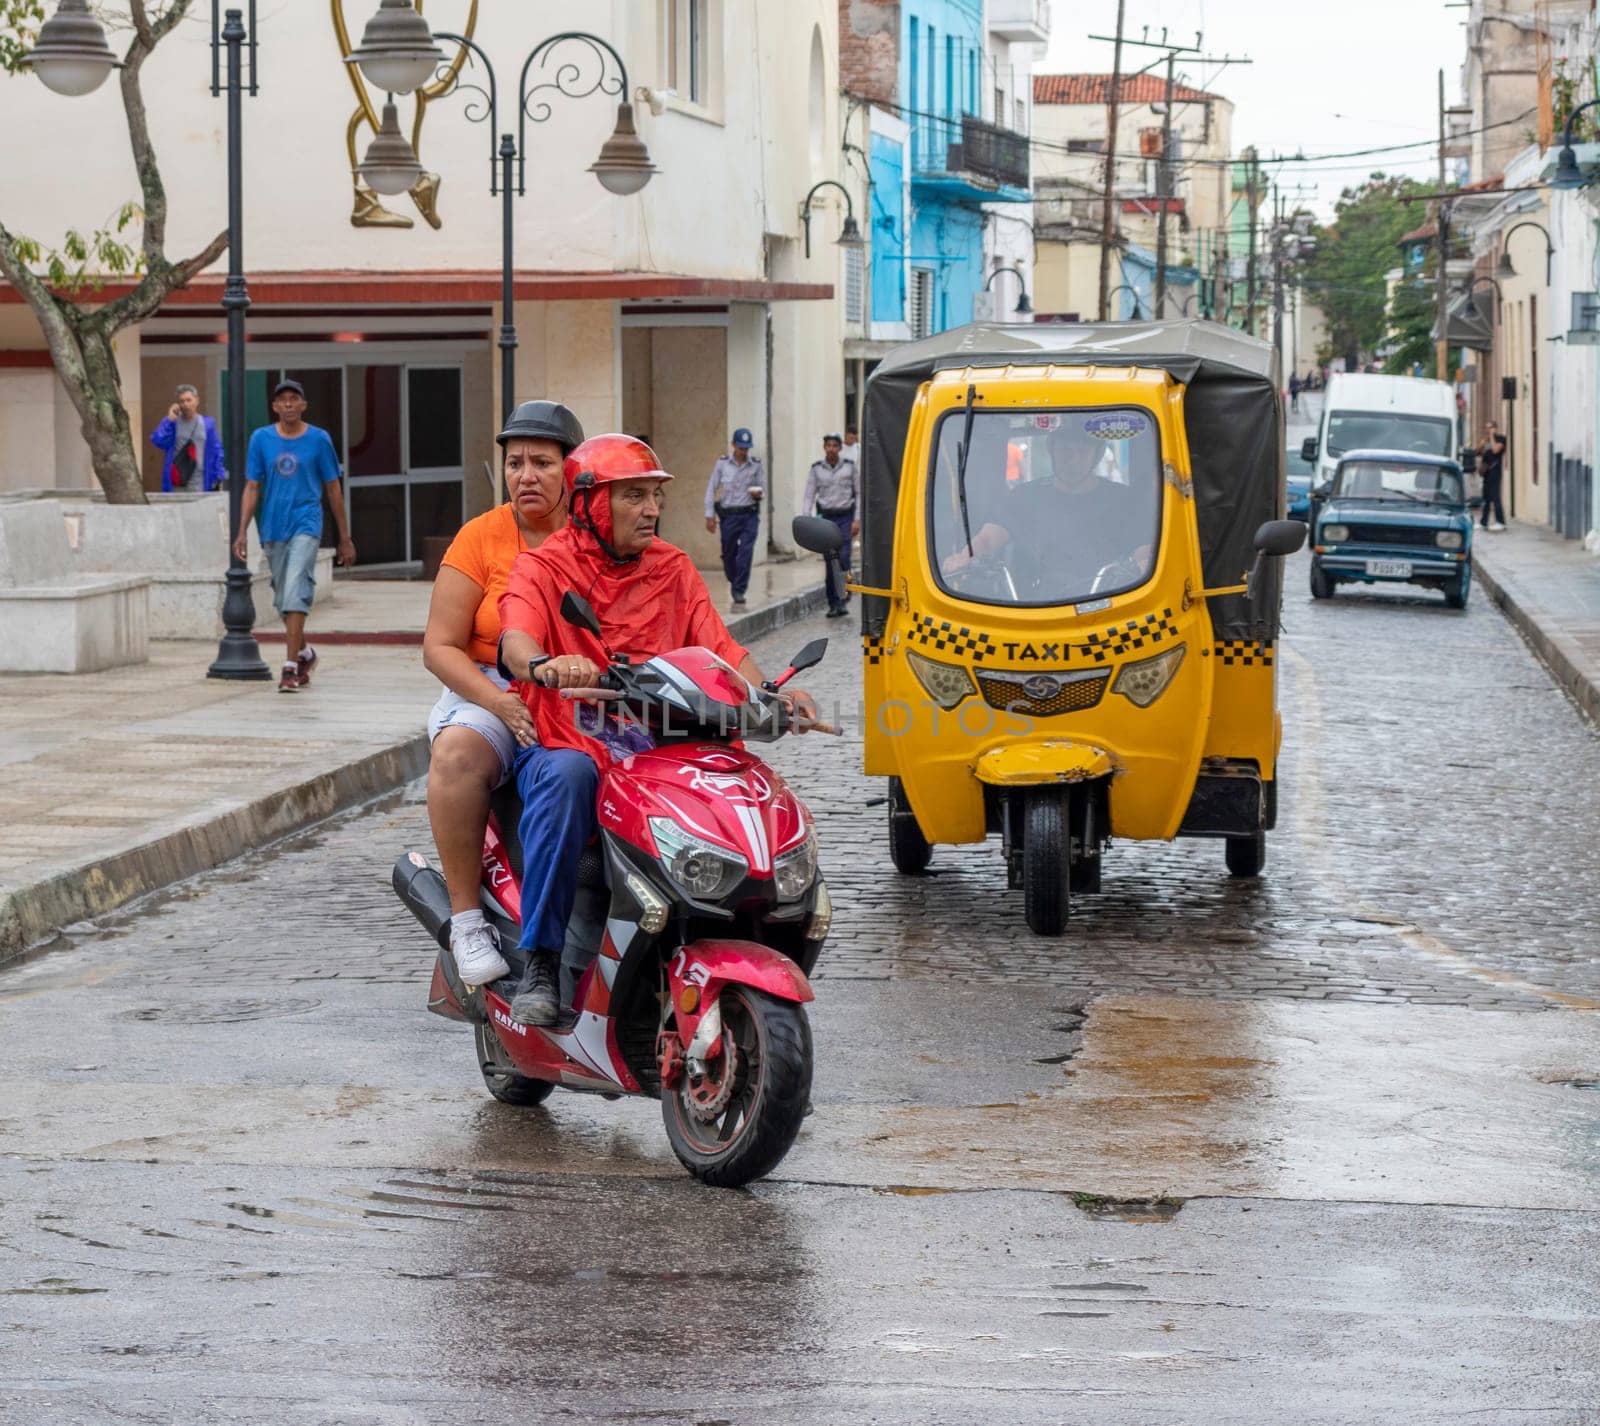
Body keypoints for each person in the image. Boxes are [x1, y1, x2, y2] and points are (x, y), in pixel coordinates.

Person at [498, 435, 817, 1026]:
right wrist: (546, 662)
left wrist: (770, 694)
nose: (651, 509)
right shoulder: (542, 566)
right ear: (592, 504)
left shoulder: (672, 567)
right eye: (635, 496)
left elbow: (721, 649)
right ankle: (540, 958)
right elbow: (515, 637)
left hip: (664, 739)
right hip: (571, 736)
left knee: (741, 780)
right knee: (565, 778)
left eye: (655, 496)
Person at [421, 400, 585, 987]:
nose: (526, 476)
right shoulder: (481, 536)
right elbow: (440, 647)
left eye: (542, 462)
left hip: (581, 687)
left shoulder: (595, 537)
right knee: (459, 752)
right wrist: (498, 704)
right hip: (490, 687)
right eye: (514, 463)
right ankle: (467, 919)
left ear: (574, 470)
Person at [231, 379, 355, 692]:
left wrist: (344, 537)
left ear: (303, 405)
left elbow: (333, 488)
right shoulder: (261, 439)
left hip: (306, 522)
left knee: (296, 587)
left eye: (293, 399)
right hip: (274, 526)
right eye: (282, 400)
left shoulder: (318, 440)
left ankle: (289, 667)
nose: (288, 404)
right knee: (282, 598)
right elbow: (252, 486)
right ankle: (305, 653)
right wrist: (242, 531)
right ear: (274, 406)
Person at [941, 424, 1154, 598]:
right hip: (1034, 604)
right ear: (1051, 450)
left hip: (1110, 602)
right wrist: (963, 557)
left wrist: (1144, 564)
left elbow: (1142, 549)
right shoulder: (1024, 497)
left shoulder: (1124, 500)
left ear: (1097, 456)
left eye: (1082, 452)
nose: (1072, 459)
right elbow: (988, 538)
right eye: (1065, 450)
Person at [704, 427, 764, 607]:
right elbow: (711, 489)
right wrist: (709, 515)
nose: (743, 451)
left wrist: (758, 494)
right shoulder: (722, 464)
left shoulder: (755, 464)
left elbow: (763, 488)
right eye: (740, 447)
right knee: (729, 554)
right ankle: (733, 577)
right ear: (733, 445)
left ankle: (739, 590)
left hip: (749, 515)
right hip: (729, 516)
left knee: (745, 553)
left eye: (746, 448)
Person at [801, 433, 858, 618]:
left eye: (835, 445)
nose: (831, 448)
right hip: (826, 519)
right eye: (828, 445)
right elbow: (809, 494)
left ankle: (844, 596)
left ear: (840, 448)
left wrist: (857, 520)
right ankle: (834, 602)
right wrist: (806, 518)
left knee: (843, 557)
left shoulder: (849, 468)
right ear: (824, 448)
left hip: (845, 517)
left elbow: (859, 493)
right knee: (829, 560)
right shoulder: (817, 470)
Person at [150, 383, 224, 492]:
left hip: (201, 481)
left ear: (197, 400)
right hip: (178, 480)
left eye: (189, 400)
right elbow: (157, 440)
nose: (185, 404)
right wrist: (169, 419)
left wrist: (218, 475)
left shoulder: (207, 424)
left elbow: (217, 450)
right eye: (182, 401)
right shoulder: (173, 423)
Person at [1479, 421, 1508, 531]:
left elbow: (1496, 450)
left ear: (1495, 428)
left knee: (1495, 497)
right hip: (1486, 472)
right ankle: (1483, 522)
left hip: (1495, 471)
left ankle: (1500, 522)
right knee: (1486, 498)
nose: (1488, 430)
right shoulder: (1485, 440)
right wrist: (1482, 444)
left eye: (1490, 427)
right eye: (1486, 428)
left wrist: (1491, 436)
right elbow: (1478, 452)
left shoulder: (1501, 439)